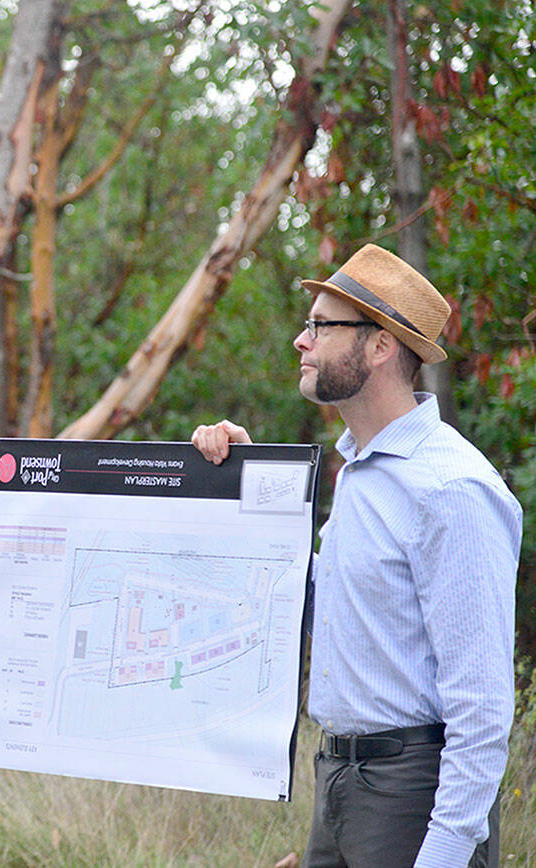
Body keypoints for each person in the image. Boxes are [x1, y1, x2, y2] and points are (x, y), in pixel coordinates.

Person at [191, 244, 521, 868]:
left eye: (320, 325)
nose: (300, 340)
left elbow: (481, 709)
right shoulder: (360, 472)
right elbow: (327, 602)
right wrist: (239, 482)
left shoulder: (453, 489)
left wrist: (447, 852)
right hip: (339, 778)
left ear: (380, 346)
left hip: (413, 791)